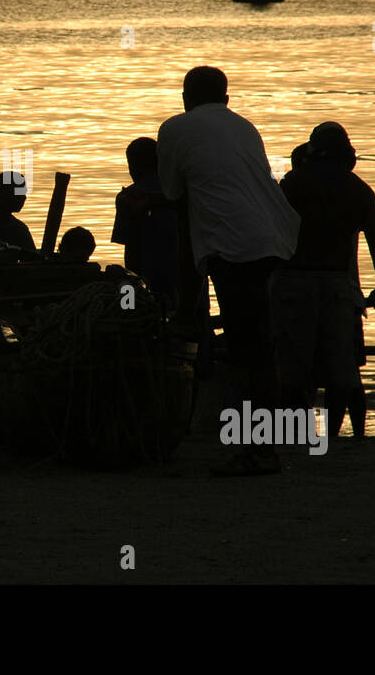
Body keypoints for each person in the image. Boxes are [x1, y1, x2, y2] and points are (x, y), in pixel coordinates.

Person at [157, 66, 300, 475]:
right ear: (226, 98)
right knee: (258, 346)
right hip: (271, 238)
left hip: (234, 247)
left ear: (186, 96)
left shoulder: (175, 129)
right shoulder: (245, 127)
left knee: (248, 350)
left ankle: (259, 450)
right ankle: (265, 444)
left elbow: (173, 194)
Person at [274, 122, 375, 438]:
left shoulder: (292, 186)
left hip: (294, 282)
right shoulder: (358, 190)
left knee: (294, 370)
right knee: (341, 370)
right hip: (338, 284)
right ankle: (330, 436)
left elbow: (266, 236)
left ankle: (299, 435)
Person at [110, 137, 179, 308]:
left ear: (132, 166)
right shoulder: (181, 192)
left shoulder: (128, 197)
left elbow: (130, 255)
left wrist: (135, 291)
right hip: (188, 278)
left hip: (150, 278)